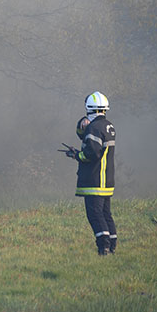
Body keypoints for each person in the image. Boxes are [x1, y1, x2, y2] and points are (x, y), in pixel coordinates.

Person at [65, 91, 117, 255]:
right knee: (106, 214)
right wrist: (82, 124)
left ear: (88, 108)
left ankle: (104, 247)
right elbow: (85, 137)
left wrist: (76, 155)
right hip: (106, 180)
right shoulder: (108, 126)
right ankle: (112, 245)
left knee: (95, 214)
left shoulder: (94, 128)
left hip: (95, 181)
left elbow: (92, 154)